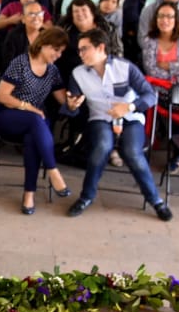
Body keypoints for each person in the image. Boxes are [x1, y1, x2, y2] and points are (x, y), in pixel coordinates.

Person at [64, 28, 172, 221]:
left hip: (130, 118)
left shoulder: (125, 67)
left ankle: (155, 200)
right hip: (100, 118)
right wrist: (71, 106)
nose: (81, 54)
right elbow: (73, 105)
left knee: (132, 152)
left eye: (85, 49)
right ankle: (86, 196)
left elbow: (150, 95)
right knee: (102, 147)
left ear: (101, 47)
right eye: (79, 50)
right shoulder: (78, 74)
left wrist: (129, 106)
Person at [0, 27, 73, 214]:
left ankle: (29, 194)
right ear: (44, 45)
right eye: (56, 49)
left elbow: (63, 99)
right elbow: (1, 96)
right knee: (36, 119)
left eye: (61, 51)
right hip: (9, 115)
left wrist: (73, 103)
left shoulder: (52, 71)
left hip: (35, 121)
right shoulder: (21, 63)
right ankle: (53, 171)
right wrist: (27, 106)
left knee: (33, 137)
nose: (58, 55)